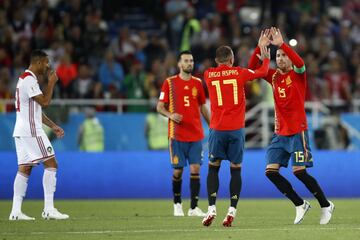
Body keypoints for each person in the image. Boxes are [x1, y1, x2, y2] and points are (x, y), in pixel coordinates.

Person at [248, 27, 334, 225]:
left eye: (284, 55)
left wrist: (282, 44)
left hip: (297, 131)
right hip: (280, 133)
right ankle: (299, 204)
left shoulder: (298, 75)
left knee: (299, 171)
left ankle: (325, 205)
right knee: (270, 172)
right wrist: (259, 48)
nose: (280, 58)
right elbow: (253, 70)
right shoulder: (274, 76)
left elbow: (301, 63)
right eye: (278, 55)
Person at [202, 44, 270, 227]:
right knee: (236, 168)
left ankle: (211, 209)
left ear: (216, 61)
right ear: (232, 59)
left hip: (217, 129)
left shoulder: (208, 74)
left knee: (213, 168)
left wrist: (257, 49)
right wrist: (265, 56)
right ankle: (231, 210)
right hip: (236, 129)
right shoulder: (239, 73)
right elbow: (262, 71)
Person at [10, 49, 69, 220]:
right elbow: (45, 102)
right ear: (37, 63)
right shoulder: (29, 80)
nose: (47, 66)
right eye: (45, 62)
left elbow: (36, 110)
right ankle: (49, 209)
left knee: (25, 168)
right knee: (51, 163)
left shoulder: (26, 80)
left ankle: (15, 211)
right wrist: (51, 83)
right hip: (31, 130)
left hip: (21, 130)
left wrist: (53, 126)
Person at [157, 50, 210, 217]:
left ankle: (194, 208)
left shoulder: (198, 83)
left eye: (191, 61)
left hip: (195, 135)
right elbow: (159, 107)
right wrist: (170, 115)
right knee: (178, 171)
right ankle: (177, 204)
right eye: (186, 61)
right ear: (179, 64)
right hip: (177, 135)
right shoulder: (169, 83)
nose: (189, 64)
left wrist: (213, 126)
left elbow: (202, 107)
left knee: (195, 169)